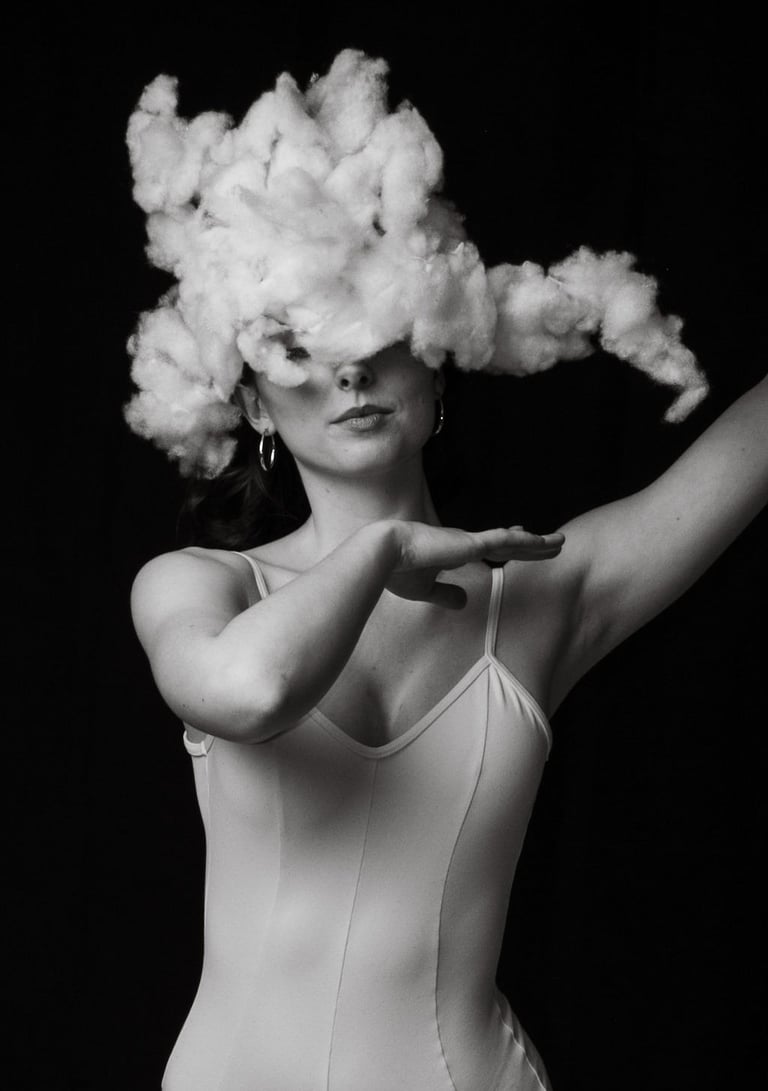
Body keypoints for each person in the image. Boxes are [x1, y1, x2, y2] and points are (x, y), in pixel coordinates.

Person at [126, 50, 768, 1091]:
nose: (349, 370)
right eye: (298, 341)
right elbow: (246, 692)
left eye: (379, 326)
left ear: (439, 347)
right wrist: (380, 552)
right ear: (250, 402)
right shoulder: (198, 586)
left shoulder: (544, 596)